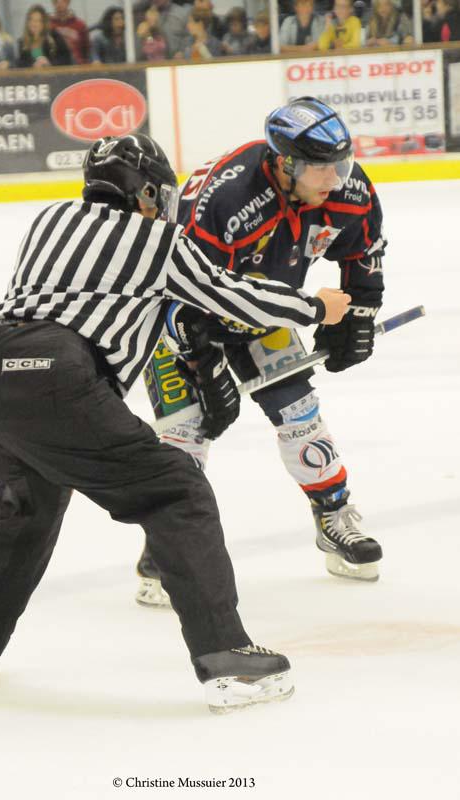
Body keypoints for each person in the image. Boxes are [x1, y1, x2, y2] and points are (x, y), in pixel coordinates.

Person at [0, 133, 350, 711]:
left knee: (25, 503)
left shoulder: (48, 219)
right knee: (176, 489)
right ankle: (227, 659)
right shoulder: (158, 240)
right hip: (50, 377)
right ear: (148, 194)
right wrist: (315, 307)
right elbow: (232, 296)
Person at [135, 97, 386, 608]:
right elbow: (181, 290)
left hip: (264, 305)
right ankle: (164, 545)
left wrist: (359, 316)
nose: (336, 179)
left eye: (341, 163)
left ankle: (333, 515)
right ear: (283, 163)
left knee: (299, 410)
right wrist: (203, 364)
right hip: (176, 312)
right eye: (322, 168)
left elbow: (364, 253)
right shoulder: (225, 202)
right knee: (186, 430)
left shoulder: (348, 187)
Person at [17, 4, 72, 68]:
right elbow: (20, 64)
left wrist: (49, 63)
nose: (34, 24)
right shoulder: (22, 42)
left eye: (38, 21)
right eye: (31, 20)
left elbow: (66, 59)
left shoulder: (54, 37)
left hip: (54, 76)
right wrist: (32, 65)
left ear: (44, 23)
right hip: (32, 76)